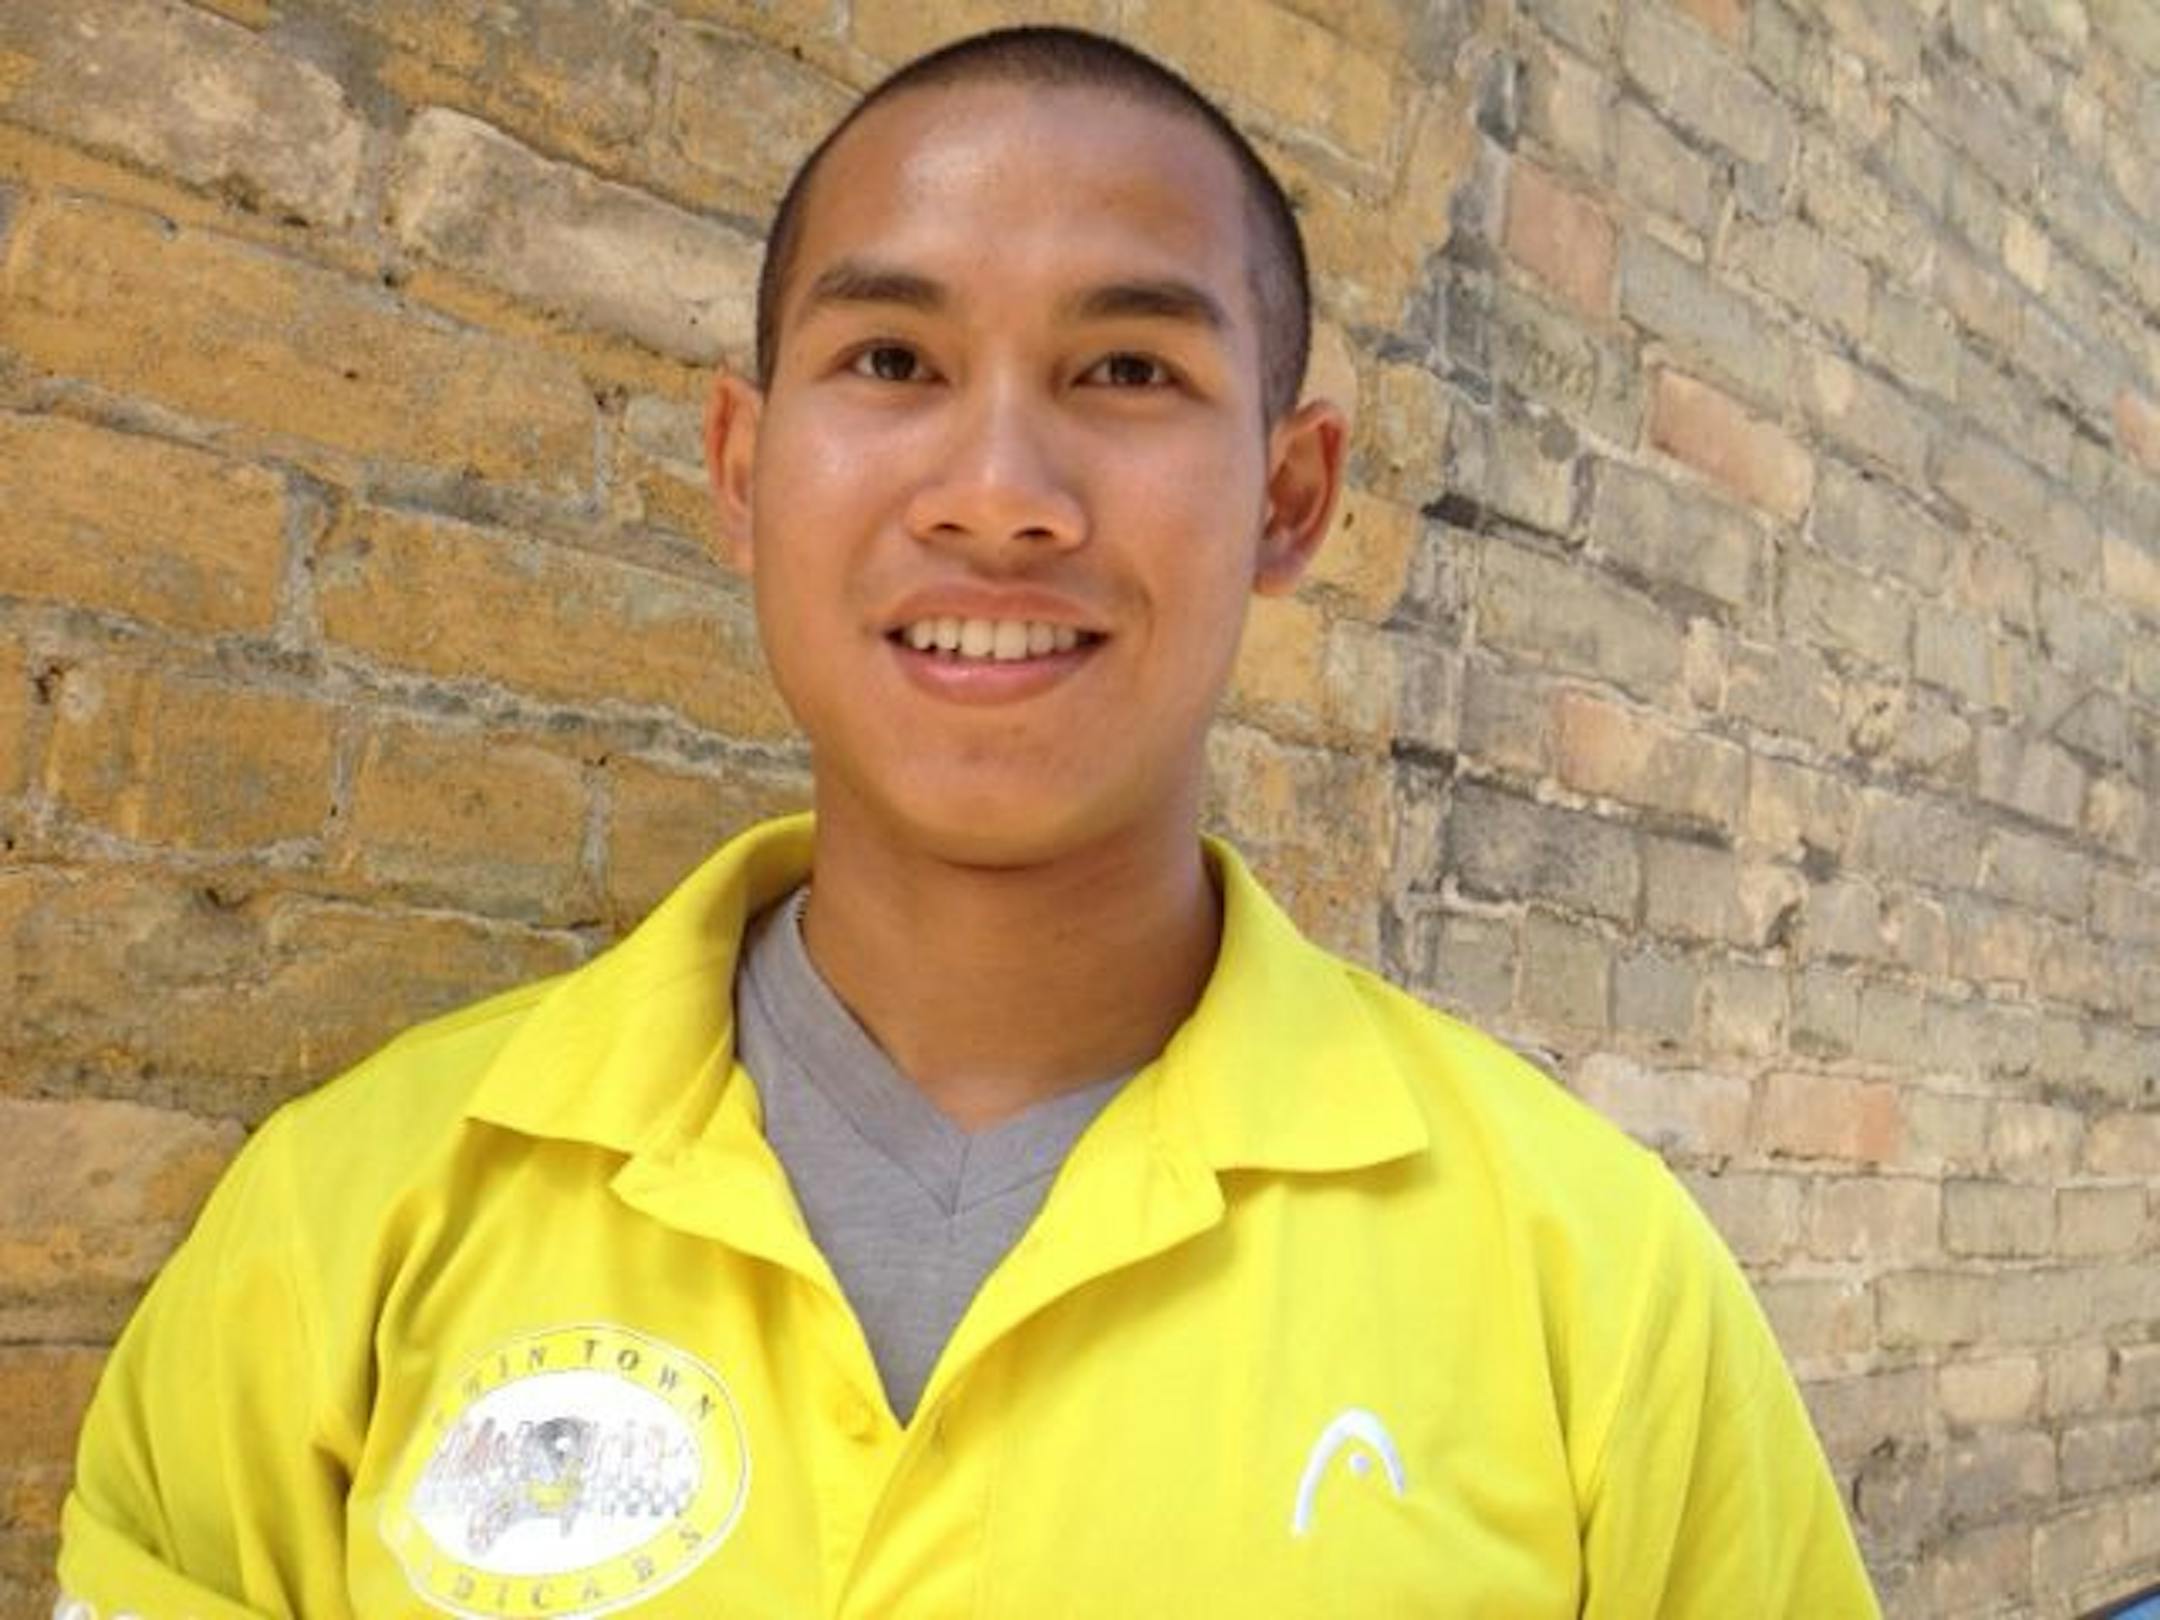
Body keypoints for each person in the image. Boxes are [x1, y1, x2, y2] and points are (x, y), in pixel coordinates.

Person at [57, 24, 1880, 1619]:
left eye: (1128, 372)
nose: (1001, 498)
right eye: (892, 366)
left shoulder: (1592, 1291)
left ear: (1290, 494)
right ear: (746, 471)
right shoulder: (346, 1230)